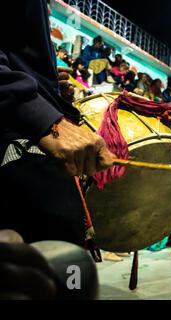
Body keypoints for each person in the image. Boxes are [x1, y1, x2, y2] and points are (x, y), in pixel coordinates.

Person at [0, 0, 114, 245]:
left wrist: (49, 89)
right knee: (57, 262)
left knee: (65, 263)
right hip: (17, 143)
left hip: (30, 137)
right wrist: (45, 119)